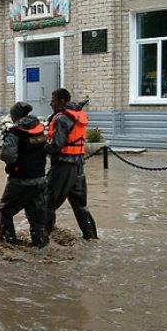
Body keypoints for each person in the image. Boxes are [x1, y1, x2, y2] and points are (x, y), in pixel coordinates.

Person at [45, 88, 98, 239]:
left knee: (47, 202)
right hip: (78, 165)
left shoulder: (62, 118)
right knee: (80, 205)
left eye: (53, 100)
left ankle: (43, 240)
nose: (50, 103)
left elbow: (57, 145)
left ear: (62, 101)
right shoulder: (77, 115)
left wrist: (42, 147)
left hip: (63, 165)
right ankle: (92, 238)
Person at [0, 102, 48, 248]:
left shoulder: (15, 133)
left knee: (6, 210)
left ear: (14, 116)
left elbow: (8, 156)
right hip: (40, 179)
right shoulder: (39, 130)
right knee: (37, 217)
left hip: (20, 181)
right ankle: (40, 245)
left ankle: (9, 244)